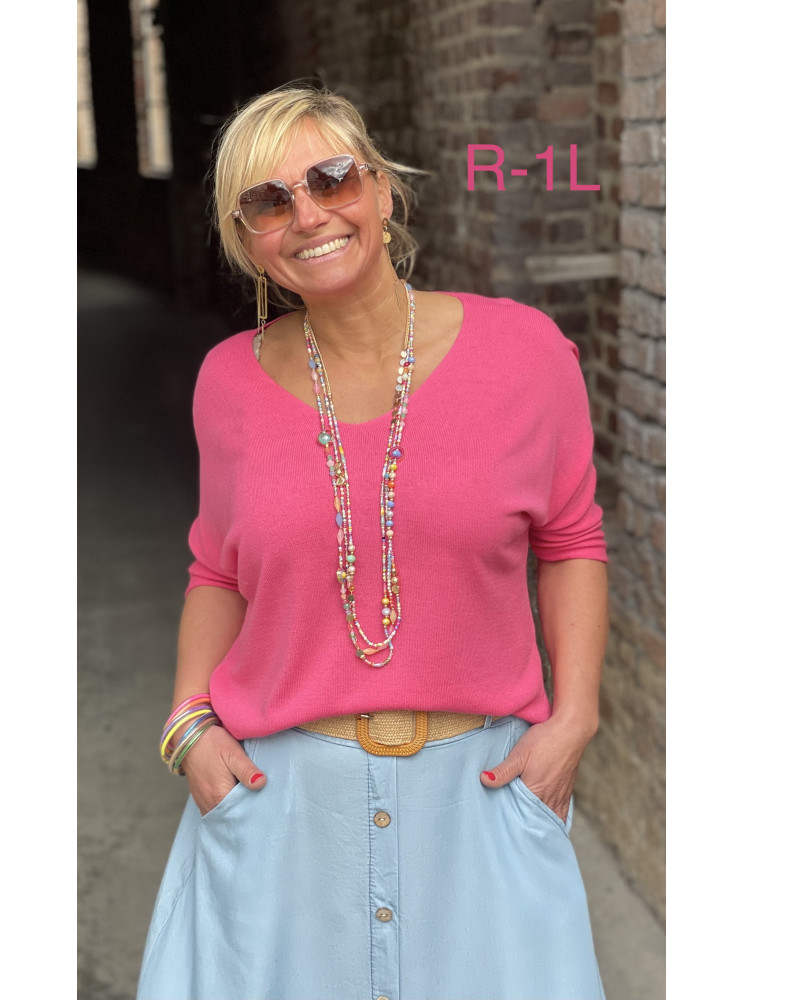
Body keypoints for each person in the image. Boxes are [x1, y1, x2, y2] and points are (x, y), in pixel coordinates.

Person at [136, 84, 609, 1000]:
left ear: (383, 191)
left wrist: (576, 717)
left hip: (484, 799)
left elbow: (571, 538)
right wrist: (188, 722)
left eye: (332, 178)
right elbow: (217, 568)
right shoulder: (227, 382)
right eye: (269, 201)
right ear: (249, 240)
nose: (309, 214)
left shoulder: (526, 353)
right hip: (278, 813)